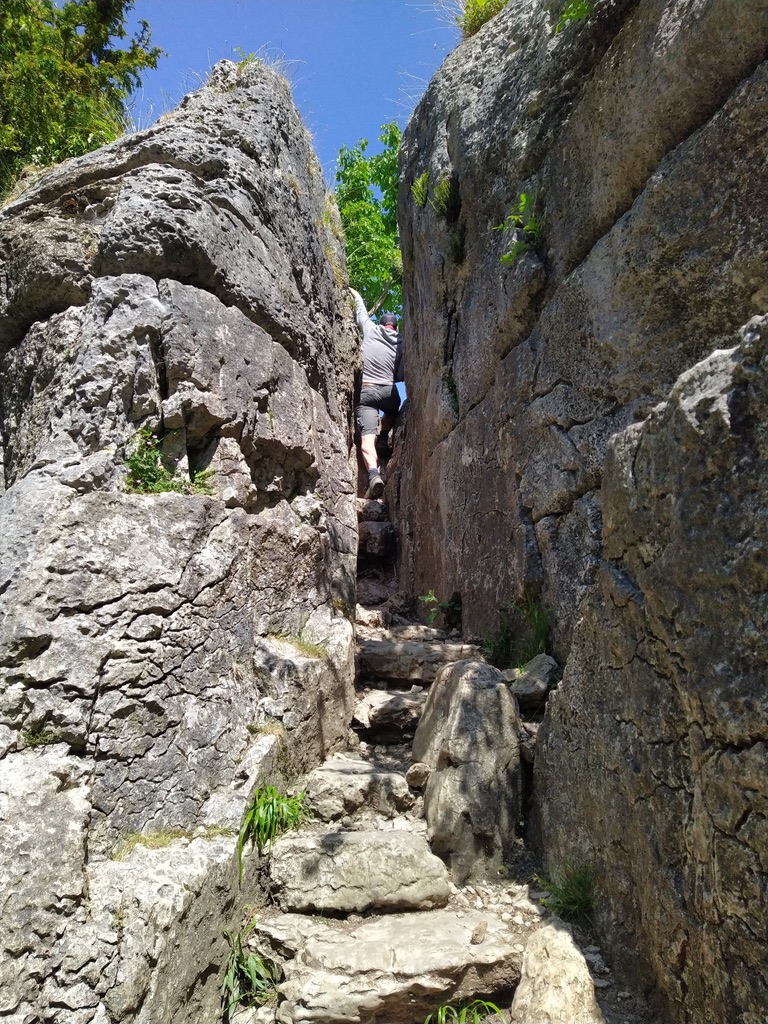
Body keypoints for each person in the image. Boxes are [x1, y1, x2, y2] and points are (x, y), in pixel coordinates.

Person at [350, 287, 403, 499]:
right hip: (387, 391)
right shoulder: (401, 342)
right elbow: (401, 375)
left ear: (381, 325)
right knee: (395, 407)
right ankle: (384, 436)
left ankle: (373, 476)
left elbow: (360, 311)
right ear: (395, 328)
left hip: (366, 391)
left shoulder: (371, 330)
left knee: (366, 439)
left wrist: (355, 294)